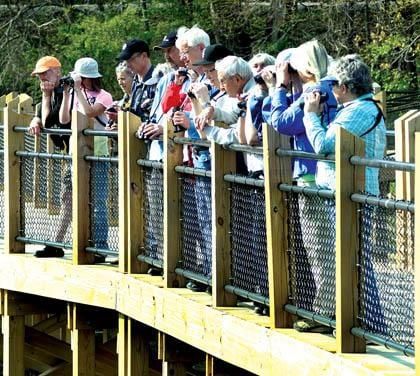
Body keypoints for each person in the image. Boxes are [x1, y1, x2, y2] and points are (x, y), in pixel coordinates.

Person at [271, 40, 338, 329]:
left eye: (294, 70)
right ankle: (334, 310)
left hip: (312, 177)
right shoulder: (333, 87)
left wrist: (280, 88)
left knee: (319, 248)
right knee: (328, 247)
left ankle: (325, 313)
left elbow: (281, 122)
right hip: (322, 174)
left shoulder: (315, 91)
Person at [303, 54, 386, 195]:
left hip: (355, 197)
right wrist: (317, 115)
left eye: (332, 85)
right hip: (348, 193)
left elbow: (322, 145)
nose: (330, 90)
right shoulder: (357, 109)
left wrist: (310, 115)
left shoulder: (358, 111)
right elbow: (332, 141)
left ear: (343, 87)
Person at [59, 57, 113, 252]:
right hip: (76, 154)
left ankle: (100, 245)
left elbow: (90, 113)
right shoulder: (74, 94)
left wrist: (79, 91)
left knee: (97, 202)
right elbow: (64, 119)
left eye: (81, 78)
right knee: (75, 198)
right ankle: (82, 241)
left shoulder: (104, 96)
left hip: (97, 154)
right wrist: (67, 94)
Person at [29, 56, 71, 258]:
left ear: (57, 71)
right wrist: (35, 119)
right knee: (68, 200)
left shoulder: (65, 91)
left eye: (46, 73)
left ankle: (58, 243)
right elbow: (41, 116)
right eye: (39, 75)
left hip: (81, 153)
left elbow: (51, 120)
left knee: (72, 200)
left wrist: (45, 100)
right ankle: (56, 242)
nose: (42, 79)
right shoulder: (51, 93)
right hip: (68, 154)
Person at [118, 39, 157, 122]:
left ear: (144, 56)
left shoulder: (158, 80)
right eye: (125, 60)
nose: (127, 64)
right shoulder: (135, 81)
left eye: (131, 59)